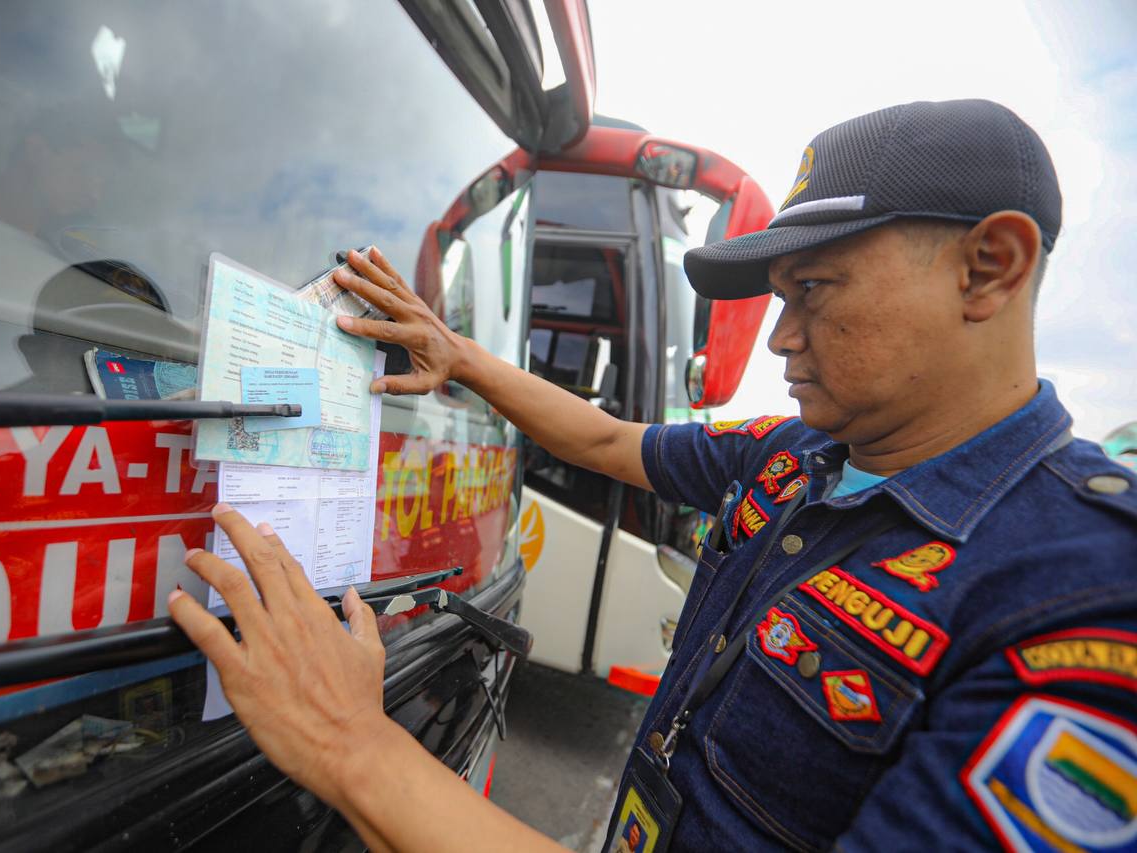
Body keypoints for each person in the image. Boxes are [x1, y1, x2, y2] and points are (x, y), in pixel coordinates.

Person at [166, 100, 1137, 852]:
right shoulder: (794, 456)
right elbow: (601, 442)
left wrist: (349, 743)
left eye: (812, 291)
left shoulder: (1083, 601)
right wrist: (453, 353)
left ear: (986, 268)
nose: (780, 339)